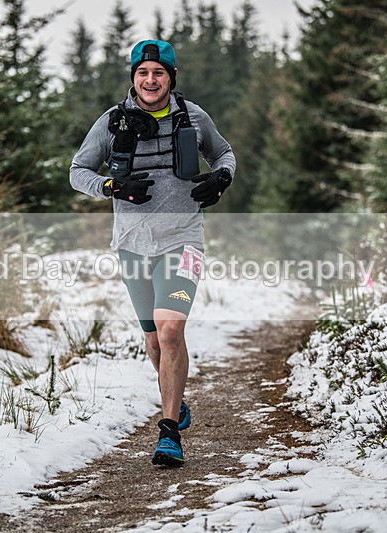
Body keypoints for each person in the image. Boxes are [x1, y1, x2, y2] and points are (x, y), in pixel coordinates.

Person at [70, 39, 236, 466]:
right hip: (132, 244)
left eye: (158, 72)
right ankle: (174, 400)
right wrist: (111, 186)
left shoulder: (193, 116)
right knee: (153, 339)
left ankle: (168, 433)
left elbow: (223, 153)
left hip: (184, 240)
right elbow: (78, 171)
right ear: (134, 77)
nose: (150, 79)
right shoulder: (112, 122)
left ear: (171, 77)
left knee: (170, 330)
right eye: (142, 72)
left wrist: (221, 178)